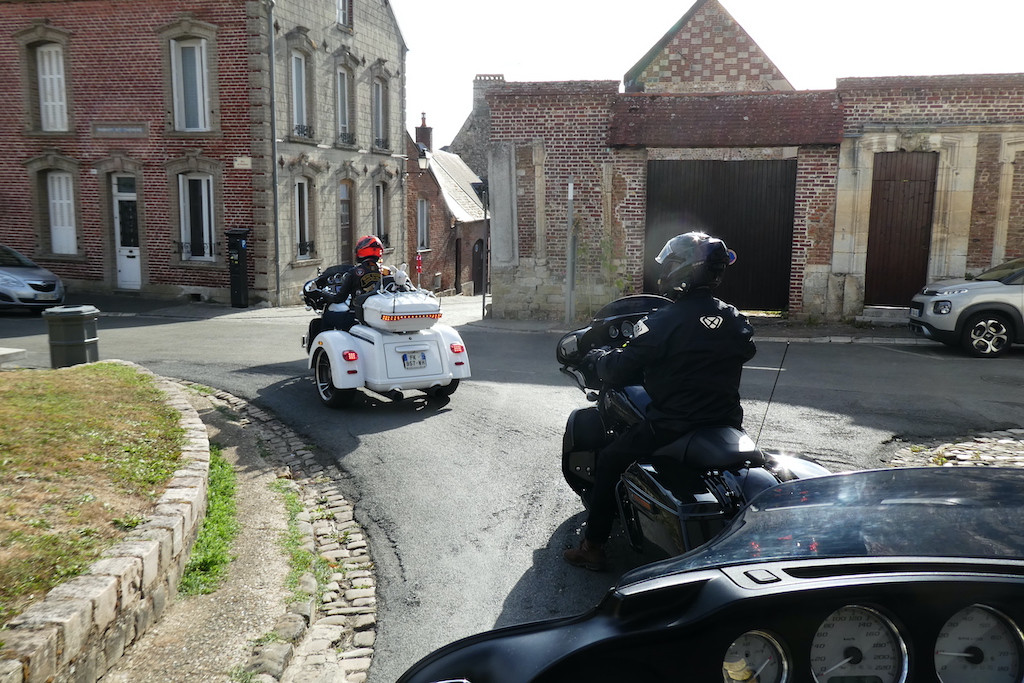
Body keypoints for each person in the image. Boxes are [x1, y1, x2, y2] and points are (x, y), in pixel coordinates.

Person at [563, 231, 756, 571]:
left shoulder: (663, 322)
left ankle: (593, 546)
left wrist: (599, 359)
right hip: (725, 423)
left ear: (683, 270)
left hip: (672, 425)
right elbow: (745, 349)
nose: (664, 272)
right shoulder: (734, 317)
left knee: (609, 460)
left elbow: (620, 368)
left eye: (669, 265)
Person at [321, 235, 385, 330]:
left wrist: (323, 293)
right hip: (377, 317)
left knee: (327, 317)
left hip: (356, 317)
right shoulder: (385, 272)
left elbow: (339, 298)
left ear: (361, 250)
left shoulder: (355, 272)